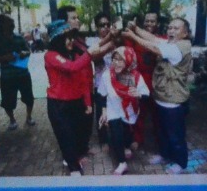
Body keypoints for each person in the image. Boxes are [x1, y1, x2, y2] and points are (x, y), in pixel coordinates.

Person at [131, 17, 194, 173]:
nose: (171, 30)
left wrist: (132, 36)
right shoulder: (170, 43)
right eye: (170, 27)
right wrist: (136, 29)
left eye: (176, 28)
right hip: (161, 98)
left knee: (175, 135)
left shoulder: (179, 48)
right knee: (162, 132)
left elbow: (153, 47)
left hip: (173, 102)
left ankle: (180, 163)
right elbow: (153, 38)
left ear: (185, 34)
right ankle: (165, 155)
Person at [44, 26, 97, 176]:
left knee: (76, 135)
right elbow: (72, 68)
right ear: (57, 41)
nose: (71, 41)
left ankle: (73, 159)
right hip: (58, 104)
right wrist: (90, 53)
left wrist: (87, 102)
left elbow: (82, 80)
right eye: (67, 38)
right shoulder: (51, 55)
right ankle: (74, 169)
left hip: (76, 102)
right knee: (66, 136)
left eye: (72, 38)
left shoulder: (73, 54)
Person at [96, 46, 151, 175]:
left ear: (129, 60)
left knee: (126, 132)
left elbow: (146, 95)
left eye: (121, 60)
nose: (116, 63)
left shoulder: (136, 76)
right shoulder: (107, 75)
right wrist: (104, 111)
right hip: (113, 109)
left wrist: (138, 94)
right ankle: (122, 163)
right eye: (114, 59)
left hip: (129, 110)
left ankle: (126, 146)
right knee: (116, 133)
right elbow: (101, 95)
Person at [0, 14, 34, 130]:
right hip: (7, 77)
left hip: (23, 74)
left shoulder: (19, 38)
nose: (13, 24)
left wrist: (24, 53)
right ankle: (12, 120)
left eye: (13, 22)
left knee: (29, 98)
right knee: (8, 101)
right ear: (2, 24)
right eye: (10, 22)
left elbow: (28, 51)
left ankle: (29, 117)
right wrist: (5, 58)